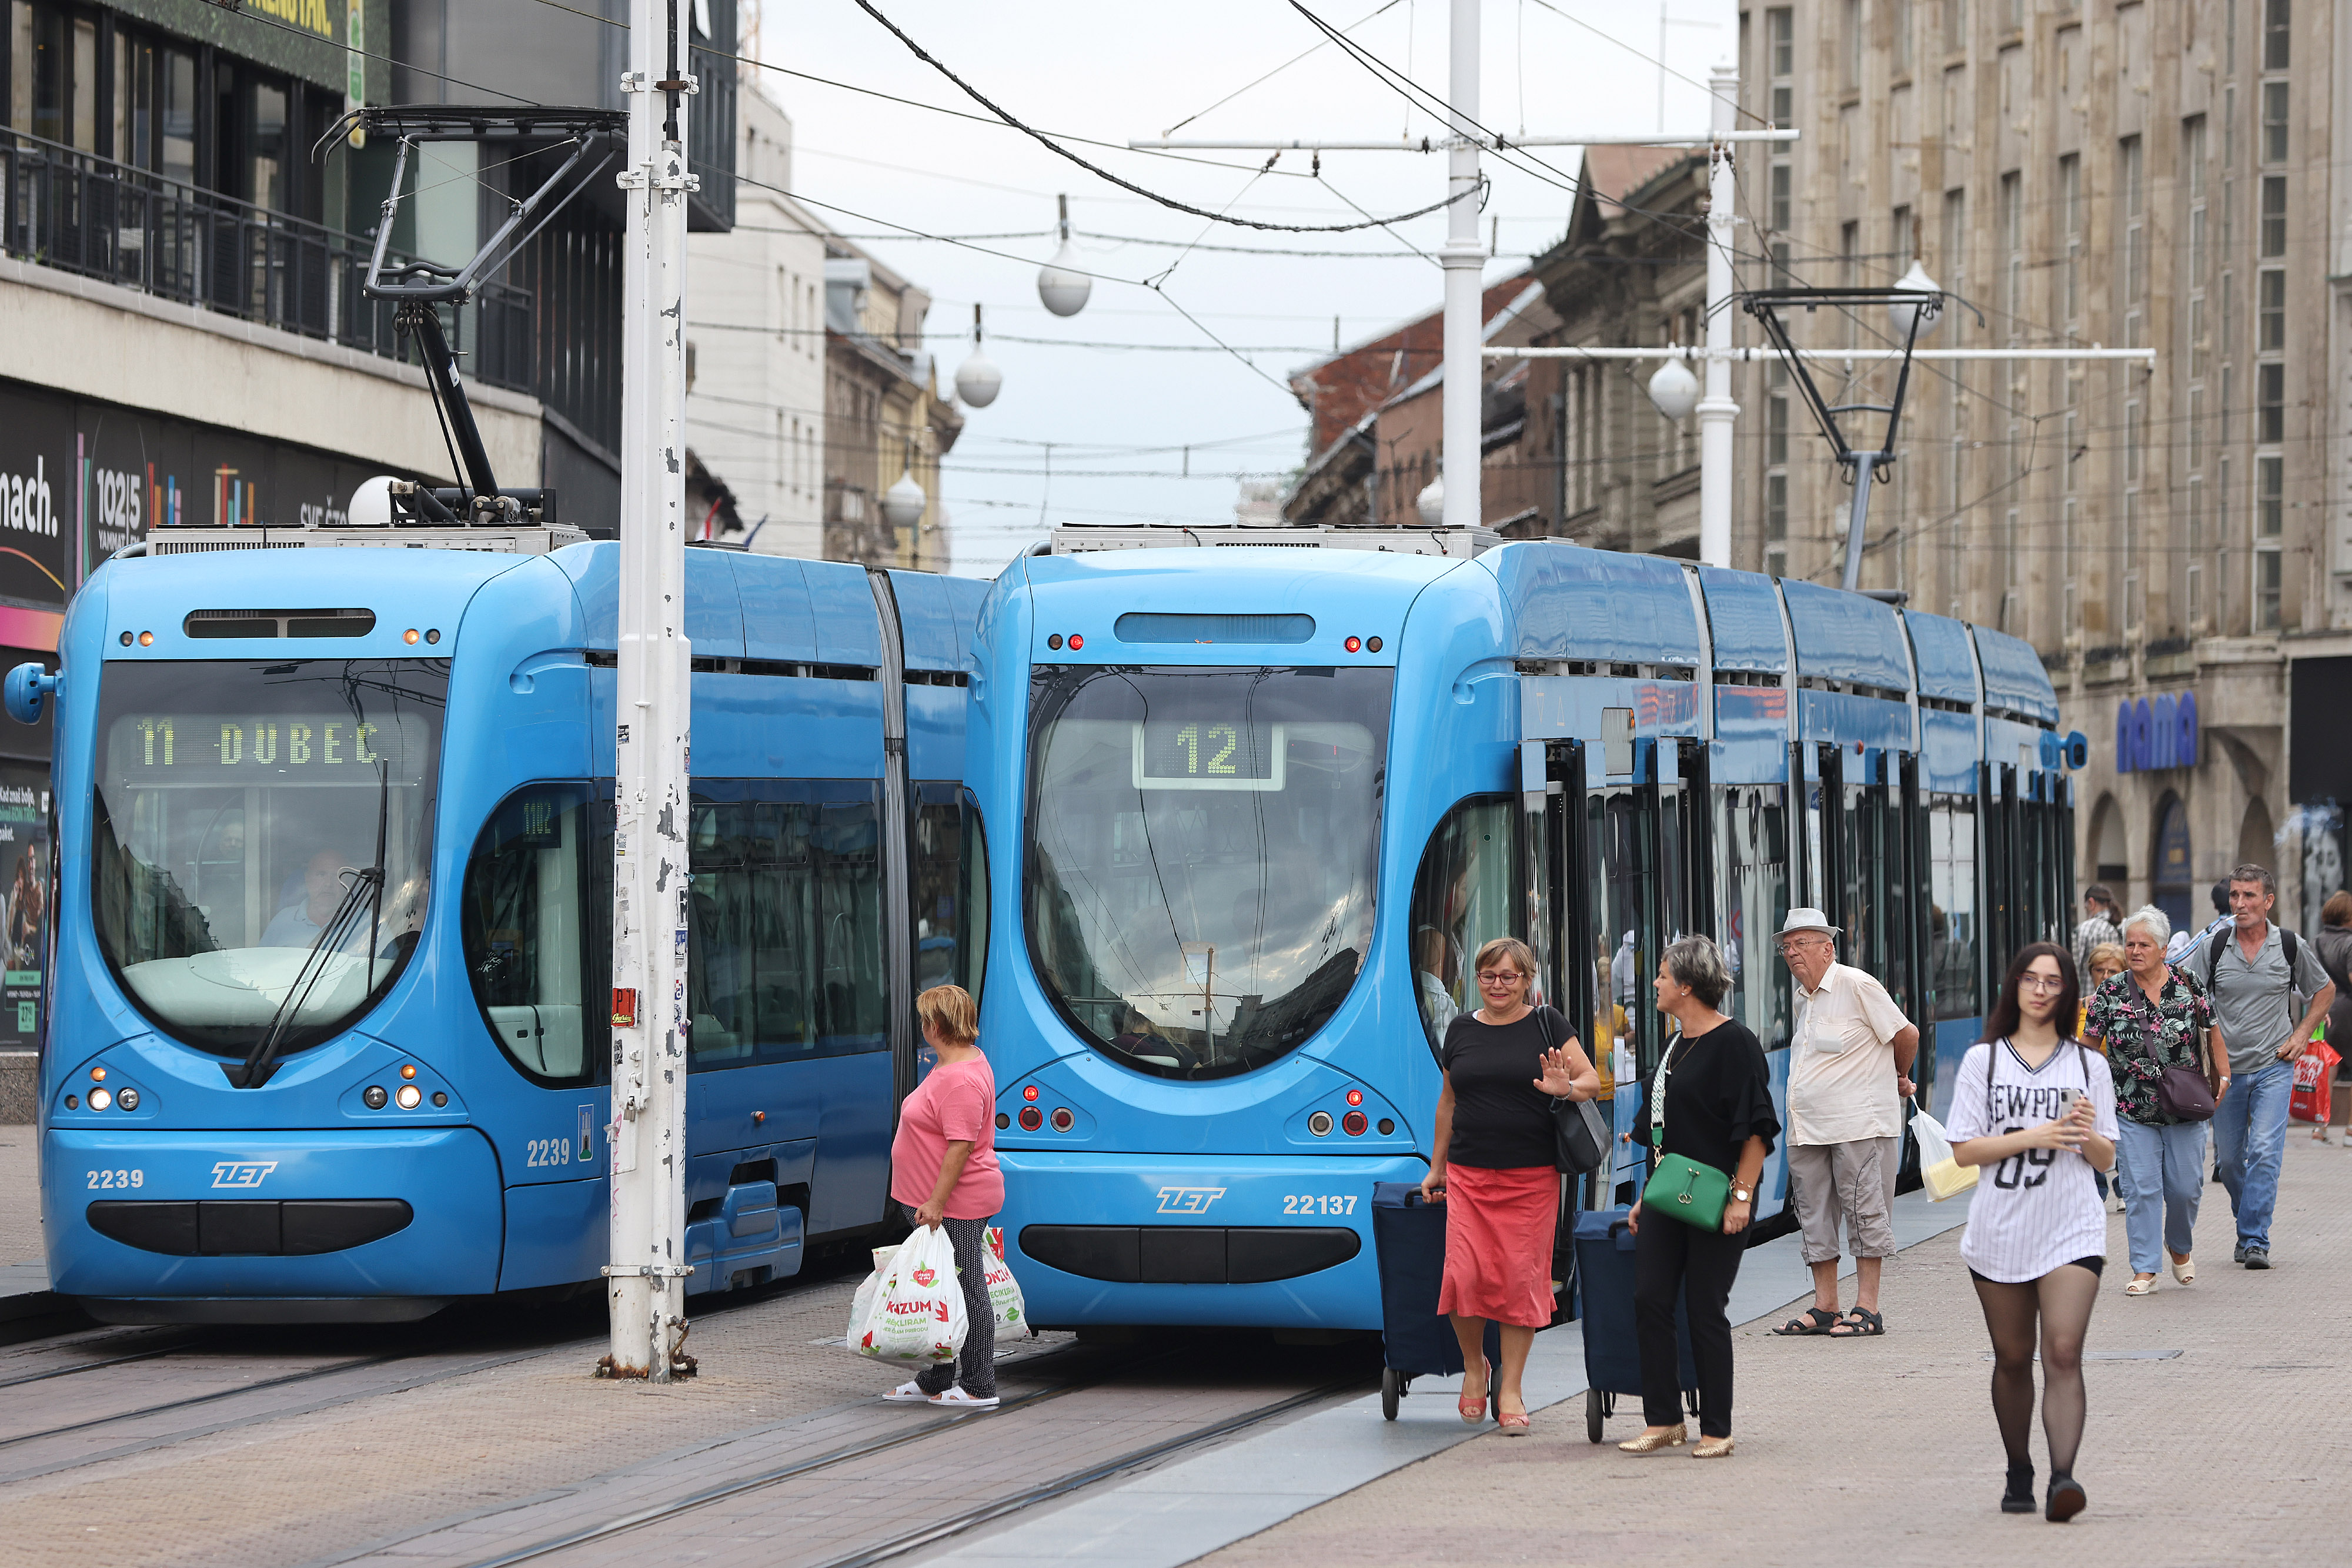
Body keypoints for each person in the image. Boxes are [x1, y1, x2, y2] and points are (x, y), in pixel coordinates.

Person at [1946, 942, 2117, 1523]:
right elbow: (1965, 1149)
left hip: (2072, 1226)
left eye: (2053, 981)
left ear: (2066, 991)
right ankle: (2019, 1468)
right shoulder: (1983, 1061)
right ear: (2014, 985)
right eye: (2031, 979)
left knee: (2063, 1352)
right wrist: (2035, 1135)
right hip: (2001, 1228)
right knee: (2013, 1358)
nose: (2041, 990)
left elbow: (2103, 1159)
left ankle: (2063, 1479)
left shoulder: (2089, 1065)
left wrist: (2085, 1134)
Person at [1419, 937, 1599, 1435]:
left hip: (1531, 1177)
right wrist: (1437, 1167)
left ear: (1527, 979)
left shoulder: (1548, 1024)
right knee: (1465, 1277)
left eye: (1508, 976)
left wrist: (1567, 1088)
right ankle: (1476, 1367)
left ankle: (1512, 1387)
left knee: (1520, 1282)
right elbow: (1448, 1103)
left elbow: (1591, 1080)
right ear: (1476, 979)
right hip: (1470, 1176)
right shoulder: (1459, 1030)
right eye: (1488, 976)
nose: (1498, 985)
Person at [1618, 936, 1777, 1460]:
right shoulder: (1673, 1045)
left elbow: (1756, 1130)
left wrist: (1742, 1196)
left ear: (1687, 985)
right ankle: (1663, 1419)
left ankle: (1718, 1427)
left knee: (1705, 1307)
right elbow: (1664, 1133)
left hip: (1717, 1198)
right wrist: (1647, 1195)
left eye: (1663, 976)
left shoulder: (1736, 1043)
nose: (1656, 984)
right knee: (1650, 1300)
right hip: (1669, 1195)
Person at [1769, 908, 1920, 1339]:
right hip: (1809, 1127)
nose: (1792, 952)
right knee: (1814, 1214)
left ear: (1827, 948)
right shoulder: (1803, 996)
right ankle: (1826, 1305)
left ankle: (1867, 1308)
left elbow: (1905, 1034)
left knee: (1865, 1212)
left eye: (1801, 943)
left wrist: (1898, 1076)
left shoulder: (1857, 984)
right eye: (1786, 946)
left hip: (1859, 1123)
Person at [2184, 863, 2336, 1268]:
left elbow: (2324, 990)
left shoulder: (2288, 944)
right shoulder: (2215, 946)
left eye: (2249, 895)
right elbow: (2185, 996)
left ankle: (2254, 1240)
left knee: (2265, 1151)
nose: (2240, 903)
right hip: (2226, 1072)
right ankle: (2247, 1220)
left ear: (2268, 901)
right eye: (2235, 895)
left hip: (2275, 1065)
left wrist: (2302, 1033)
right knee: (2231, 1161)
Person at [2083, 908, 2219, 1295]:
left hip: (2186, 1109)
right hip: (2130, 1107)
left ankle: (2179, 1245)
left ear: (2163, 948)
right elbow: (2089, 1045)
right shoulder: (2110, 992)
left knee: (2185, 1189)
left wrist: (2221, 1078)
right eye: (2130, 943)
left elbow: (2212, 1033)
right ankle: (2144, 1267)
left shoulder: (2189, 983)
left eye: (2144, 944)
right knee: (2141, 1188)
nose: (2136, 950)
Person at [881, 984, 1005, 1409]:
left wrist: (935, 1203)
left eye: (924, 1020)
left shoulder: (961, 1080)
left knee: (968, 1289)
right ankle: (937, 1376)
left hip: (955, 1205)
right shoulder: (957, 1063)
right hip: (937, 1202)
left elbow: (960, 1146)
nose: (922, 1027)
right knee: (944, 1287)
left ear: (936, 1025)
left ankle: (979, 1384)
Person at [2079, 942, 2128, 1209]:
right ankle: (2097, 1193)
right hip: (2091, 1085)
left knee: (2121, 1137)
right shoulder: (2078, 1007)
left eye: (2113, 970)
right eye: (2100, 970)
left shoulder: (2130, 1009)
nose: (2106, 976)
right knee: (2092, 1134)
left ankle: (2123, 1189)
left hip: (2122, 1085)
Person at [2310, 890, 2352, 1145]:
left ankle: (2320, 1127)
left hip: (2322, 1010)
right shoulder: (2350, 943)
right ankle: (2350, 1129)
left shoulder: (2315, 942)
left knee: (2327, 1068)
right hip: (2348, 1009)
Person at [261, 849, 360, 948]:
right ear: (307, 879)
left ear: (349, 882)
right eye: (321, 875)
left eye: (338, 876)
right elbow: (263, 961)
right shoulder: (283, 920)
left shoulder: (367, 922)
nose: (328, 884)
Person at [2165, 880, 2233, 966]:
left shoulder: (2212, 932)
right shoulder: (2252, 926)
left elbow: (2173, 961)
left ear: (2215, 906)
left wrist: (2181, 936)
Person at [2070, 885, 2122, 976]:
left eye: (2086, 907)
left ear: (2091, 903)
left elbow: (2074, 966)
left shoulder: (2085, 929)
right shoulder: (2122, 927)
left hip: (2088, 989)